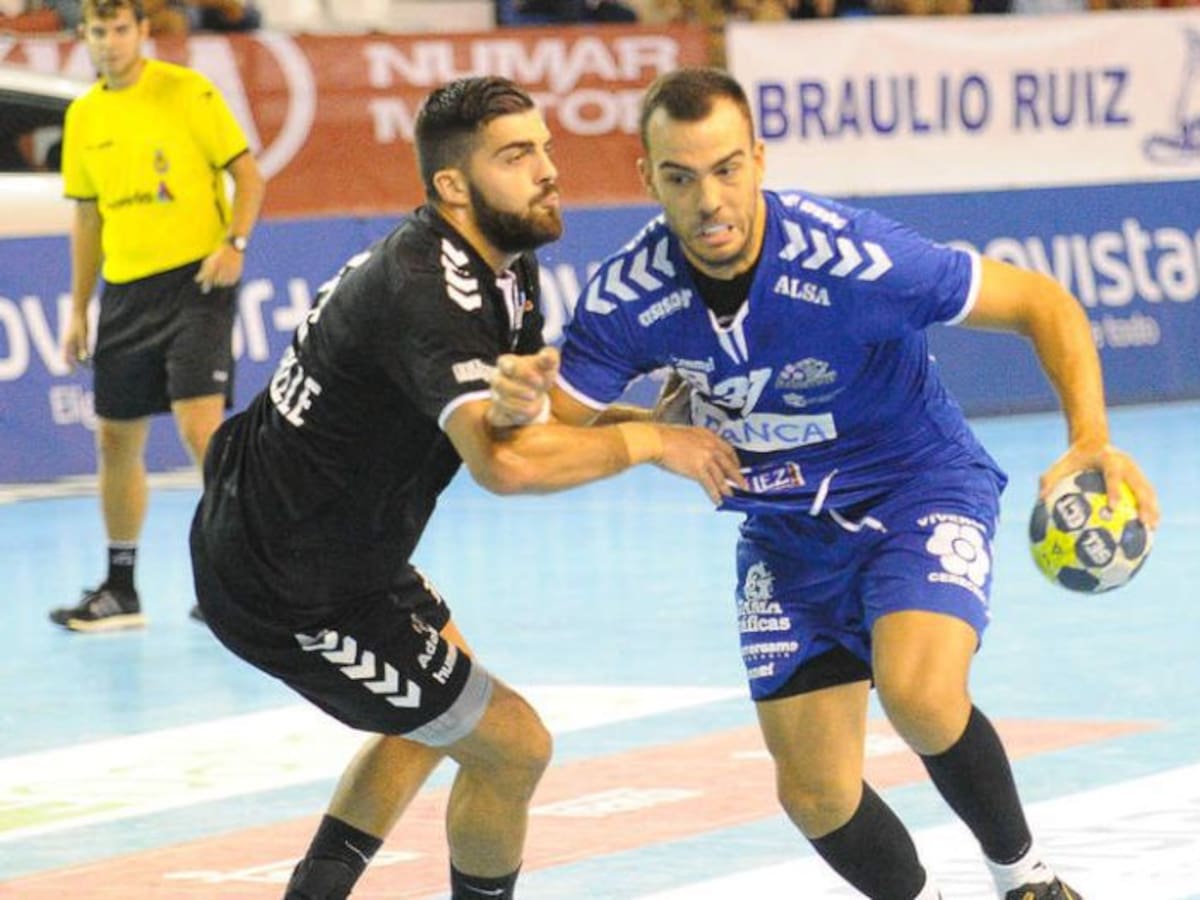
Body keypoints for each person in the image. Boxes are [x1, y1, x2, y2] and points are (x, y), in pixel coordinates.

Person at [490, 67, 1161, 900]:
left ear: (759, 159)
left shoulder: (850, 257)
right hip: (784, 535)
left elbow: (1042, 303)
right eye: (681, 177)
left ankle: (1027, 880)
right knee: (814, 793)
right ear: (647, 179)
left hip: (914, 487)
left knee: (920, 695)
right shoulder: (631, 295)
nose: (710, 201)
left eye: (727, 169)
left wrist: (1090, 438)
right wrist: (633, 433)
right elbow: (545, 438)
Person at [188, 75, 742, 900]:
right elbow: (504, 465)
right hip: (288, 581)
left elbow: (527, 419)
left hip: (332, 547)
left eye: (545, 148)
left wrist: (641, 417)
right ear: (453, 185)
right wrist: (652, 443)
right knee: (512, 746)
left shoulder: (503, 271)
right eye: (516, 157)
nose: (548, 170)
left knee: (440, 714)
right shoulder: (428, 290)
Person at [50, 0, 265, 631]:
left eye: (121, 29)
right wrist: (79, 308)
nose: (110, 42)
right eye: (99, 31)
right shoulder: (84, 115)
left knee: (200, 428)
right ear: (84, 35)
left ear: (142, 32)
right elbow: (86, 216)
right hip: (125, 293)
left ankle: (239, 581)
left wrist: (235, 244)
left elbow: (248, 176)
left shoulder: (187, 91)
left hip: (197, 282)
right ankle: (121, 589)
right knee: (115, 439)